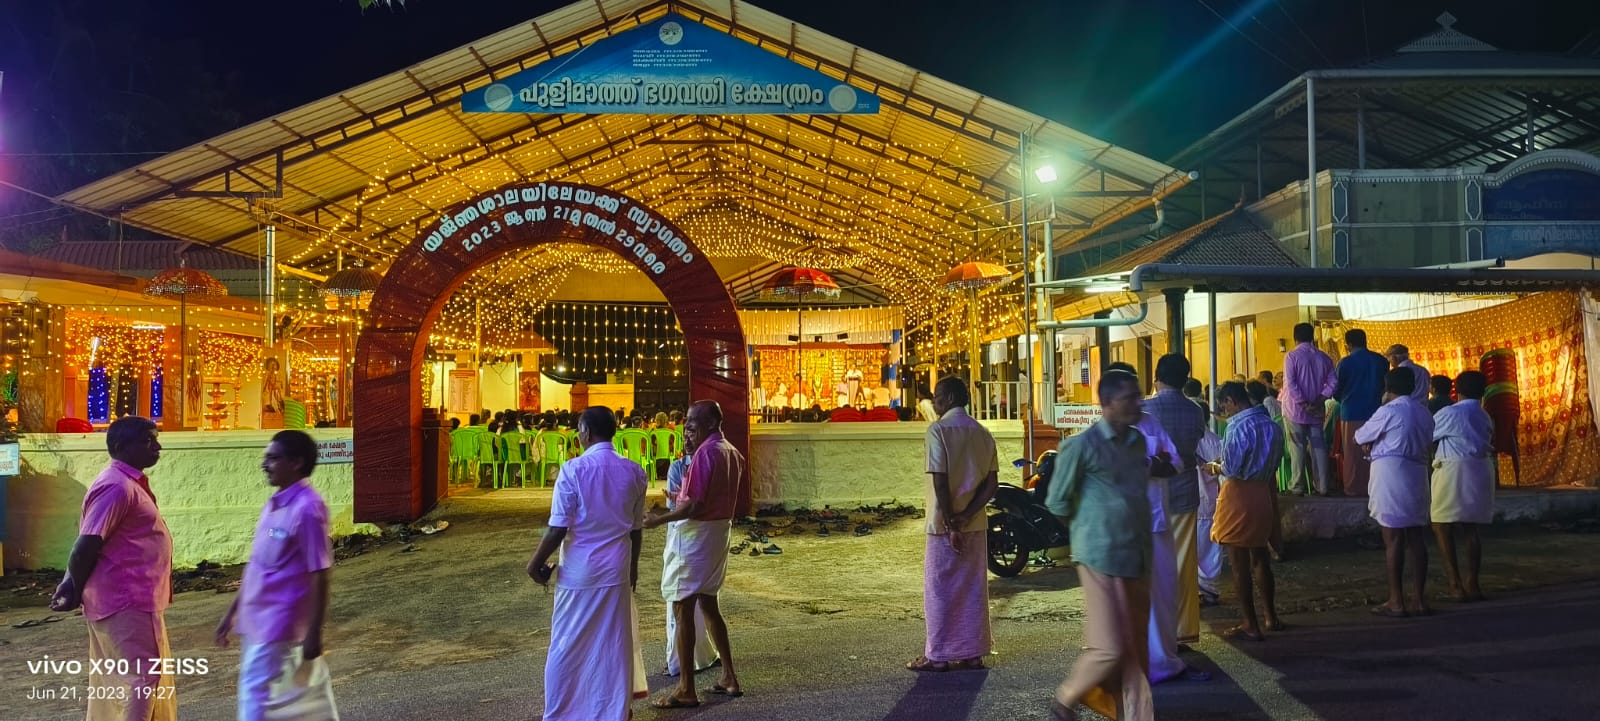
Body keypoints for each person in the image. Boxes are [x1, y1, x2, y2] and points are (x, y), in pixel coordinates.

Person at [50, 416, 177, 721]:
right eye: (149, 441)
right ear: (121, 446)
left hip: (126, 598)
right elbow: (88, 543)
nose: (157, 447)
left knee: (122, 679)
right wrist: (72, 587)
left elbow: (91, 540)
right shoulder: (117, 487)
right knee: (142, 679)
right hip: (127, 599)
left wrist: (71, 584)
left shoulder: (125, 483)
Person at [526, 406, 649, 721]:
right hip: (617, 568)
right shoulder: (635, 471)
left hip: (580, 571)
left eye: (579, 430)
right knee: (612, 645)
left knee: (567, 644)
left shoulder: (573, 470)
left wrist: (535, 563)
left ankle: (564, 710)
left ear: (585, 432)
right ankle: (613, 710)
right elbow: (635, 531)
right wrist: (633, 567)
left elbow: (557, 528)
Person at [1046, 371, 1155, 721]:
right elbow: (1058, 502)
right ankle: (1065, 698)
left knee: (1135, 651)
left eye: (1138, 396)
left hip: (1136, 552)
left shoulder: (1138, 441)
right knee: (1109, 647)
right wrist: (1088, 530)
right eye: (1129, 398)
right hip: (1099, 555)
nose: (1137, 403)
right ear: (1106, 403)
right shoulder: (1081, 445)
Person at [216, 430, 336, 721]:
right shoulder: (275, 504)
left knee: (255, 694)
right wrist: (232, 612)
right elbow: (258, 566)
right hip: (257, 618)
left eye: (273, 458)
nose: (265, 465)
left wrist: (313, 634)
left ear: (296, 462)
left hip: (278, 621)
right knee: (298, 692)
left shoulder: (307, 508)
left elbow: (320, 572)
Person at [643, 400, 745, 708]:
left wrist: (659, 519)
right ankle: (729, 676)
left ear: (710, 424)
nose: (688, 431)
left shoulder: (706, 453)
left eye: (692, 425)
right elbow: (711, 496)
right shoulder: (732, 452)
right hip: (719, 532)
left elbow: (696, 504)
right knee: (709, 604)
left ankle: (686, 688)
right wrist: (678, 497)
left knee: (682, 607)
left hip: (696, 535)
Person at [907, 376, 999, 672]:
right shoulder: (983, 433)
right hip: (974, 524)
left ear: (946, 399)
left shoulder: (939, 431)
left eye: (936, 397)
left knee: (939, 590)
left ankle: (938, 655)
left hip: (942, 525)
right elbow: (991, 485)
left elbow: (941, 481)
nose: (933, 402)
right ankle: (972, 652)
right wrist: (968, 516)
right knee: (973, 589)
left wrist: (951, 524)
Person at [1139, 355, 1209, 654]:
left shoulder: (1145, 408)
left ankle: (1153, 631)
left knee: (1150, 565)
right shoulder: (1195, 411)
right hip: (1185, 491)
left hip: (1152, 496)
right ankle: (1181, 632)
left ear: (1157, 377)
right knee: (1183, 565)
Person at [1207, 381, 1286, 641]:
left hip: (1239, 494)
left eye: (1224, 405)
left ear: (1231, 401)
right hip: (1263, 491)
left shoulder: (1237, 427)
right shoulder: (1272, 426)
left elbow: (1231, 467)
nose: (1224, 411)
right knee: (1260, 556)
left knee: (1239, 563)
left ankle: (1250, 623)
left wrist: (1215, 467)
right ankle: (1270, 616)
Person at [1356, 368, 1437, 618]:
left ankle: (1396, 600)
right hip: (1416, 472)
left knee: (1393, 539)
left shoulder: (1388, 410)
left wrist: (1373, 443)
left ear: (1387, 388)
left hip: (1391, 473)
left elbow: (1360, 436)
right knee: (1416, 537)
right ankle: (1420, 599)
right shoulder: (1424, 412)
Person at [1430, 370, 1495, 602]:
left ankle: (1455, 583)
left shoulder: (1449, 412)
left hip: (1454, 469)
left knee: (1441, 524)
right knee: (1471, 528)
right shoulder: (1485, 415)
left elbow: (1428, 435)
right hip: (1480, 468)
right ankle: (1473, 583)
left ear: (1457, 391)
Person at [661, 426, 718, 677]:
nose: (687, 441)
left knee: (695, 603)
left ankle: (697, 660)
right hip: (682, 534)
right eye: (684, 436)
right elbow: (679, 505)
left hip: (697, 537)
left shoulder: (707, 464)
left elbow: (690, 505)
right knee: (683, 604)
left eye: (692, 434)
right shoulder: (679, 468)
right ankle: (679, 661)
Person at [1281, 323, 1336, 496]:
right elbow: (1333, 382)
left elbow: (1291, 383)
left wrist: (1303, 403)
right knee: (1318, 447)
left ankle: (1297, 486)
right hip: (1317, 410)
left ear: (1295, 337)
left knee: (1297, 447)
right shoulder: (1324, 357)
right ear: (1312, 337)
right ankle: (1323, 486)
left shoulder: (1291, 356)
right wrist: (1320, 398)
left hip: (1295, 411)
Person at [1335, 329, 1389, 497]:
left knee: (1352, 453)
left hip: (1351, 411)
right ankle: (1374, 487)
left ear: (1348, 344)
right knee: (1373, 451)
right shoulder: (1381, 361)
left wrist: (1341, 398)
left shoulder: (1345, 363)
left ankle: (1352, 488)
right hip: (1376, 411)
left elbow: (1337, 389)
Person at [1194, 426, 1224, 607]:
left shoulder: (1191, 438)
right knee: (1209, 550)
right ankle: (1208, 590)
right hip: (1210, 501)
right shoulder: (1216, 440)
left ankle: (1204, 591)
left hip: (1195, 501)